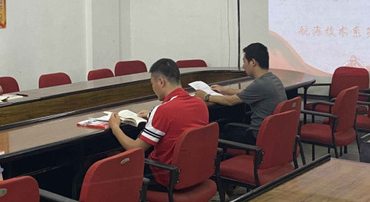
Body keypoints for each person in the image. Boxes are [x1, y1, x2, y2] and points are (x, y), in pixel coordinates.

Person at [108, 57, 208, 186]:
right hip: (195, 171)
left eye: (152, 83)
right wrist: (152, 115)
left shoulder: (163, 111)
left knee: (113, 157)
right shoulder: (200, 103)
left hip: (166, 176)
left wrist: (115, 127)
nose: (153, 88)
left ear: (161, 82)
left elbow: (135, 148)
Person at [194, 42, 286, 146]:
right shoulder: (272, 79)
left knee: (219, 132)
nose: (243, 66)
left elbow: (230, 101)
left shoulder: (260, 84)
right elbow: (246, 92)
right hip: (273, 133)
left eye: (244, 61)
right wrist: (224, 90)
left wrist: (206, 96)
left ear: (253, 62)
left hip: (258, 135)